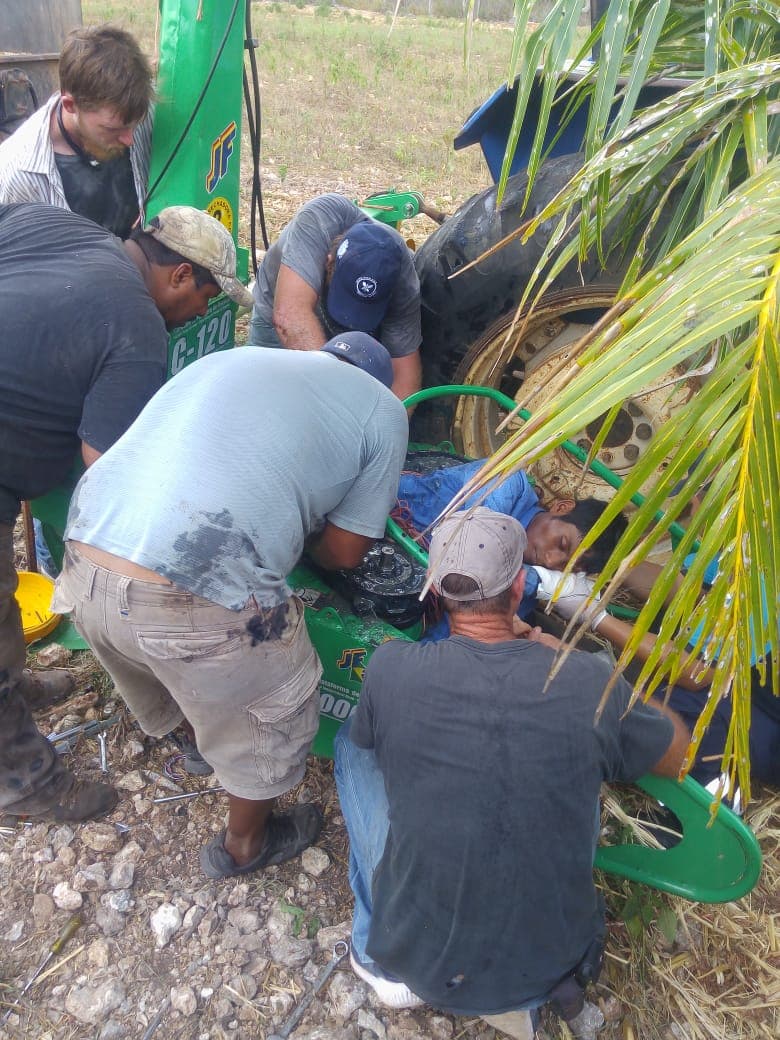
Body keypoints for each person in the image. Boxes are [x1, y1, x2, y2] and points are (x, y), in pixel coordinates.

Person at [52, 333, 409, 878]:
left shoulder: (235, 358)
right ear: (378, 383)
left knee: (171, 655)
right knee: (279, 696)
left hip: (83, 558)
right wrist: (302, 531)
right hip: (184, 602)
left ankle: (201, 742)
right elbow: (344, 550)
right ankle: (246, 844)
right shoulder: (383, 410)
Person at [334, 506, 688, 1036]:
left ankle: (376, 952)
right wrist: (560, 651)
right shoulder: (586, 681)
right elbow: (680, 751)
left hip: (422, 963)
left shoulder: (391, 670)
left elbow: (380, 744)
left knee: (352, 744)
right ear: (520, 587)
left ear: (435, 590)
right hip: (553, 967)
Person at [0, 201, 253, 825]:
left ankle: (15, 680)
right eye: (205, 298)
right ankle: (20, 783)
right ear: (178, 277)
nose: (200, 313)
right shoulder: (137, 327)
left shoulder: (67, 227)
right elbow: (106, 471)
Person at [248, 193, 422, 400]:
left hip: (345, 330)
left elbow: (406, 376)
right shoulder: (318, 221)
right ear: (329, 263)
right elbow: (289, 318)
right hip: (279, 310)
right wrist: (335, 403)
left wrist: (389, 426)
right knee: (267, 393)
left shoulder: (401, 276)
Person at [0, 24, 153, 238]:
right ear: (70, 105)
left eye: (134, 125)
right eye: (112, 129)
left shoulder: (135, 107)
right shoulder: (18, 176)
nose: (129, 140)